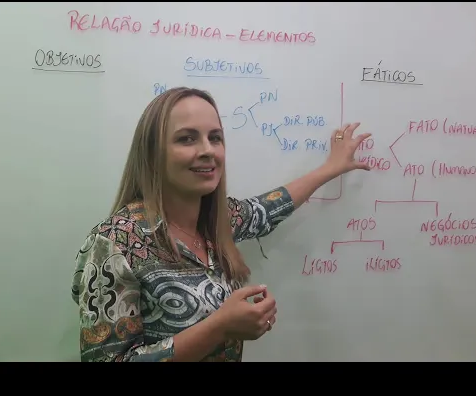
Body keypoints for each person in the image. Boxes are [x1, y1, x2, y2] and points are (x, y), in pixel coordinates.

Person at [70, 86, 372, 362]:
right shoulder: (115, 242)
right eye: (187, 138)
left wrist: (330, 168)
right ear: (152, 152)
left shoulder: (217, 222)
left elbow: (266, 210)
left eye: (215, 137)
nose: (208, 150)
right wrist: (220, 327)